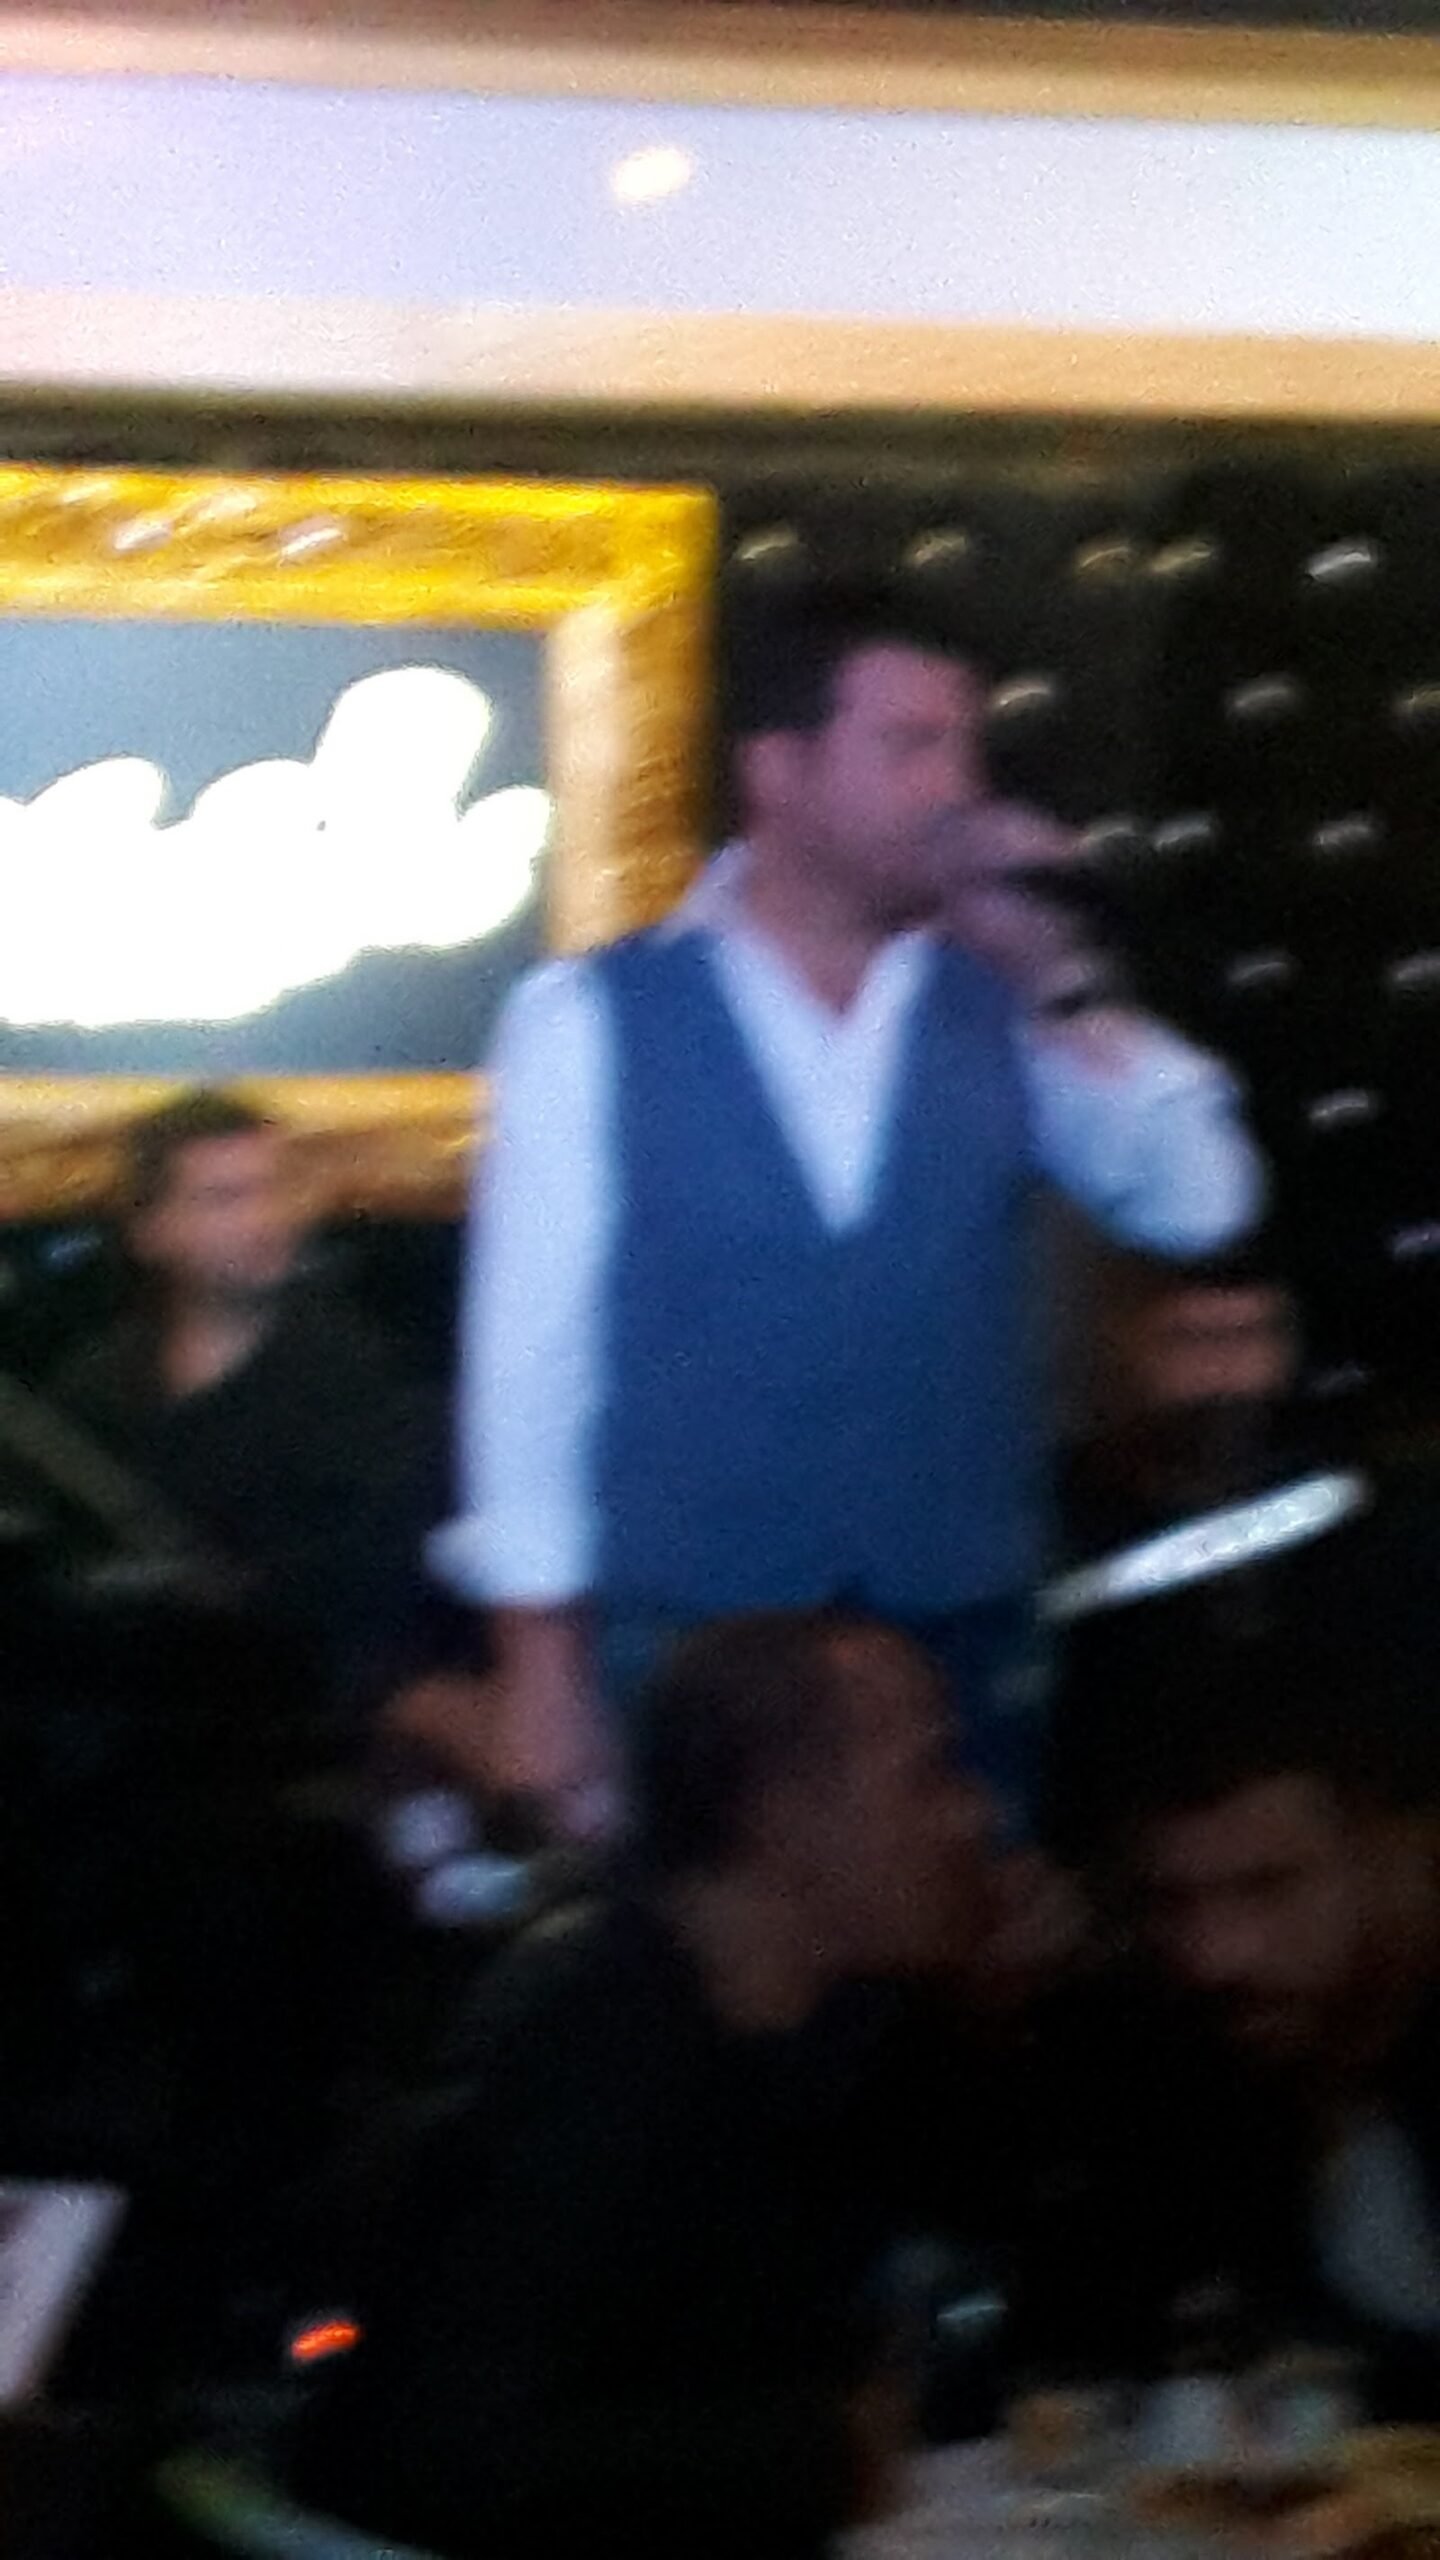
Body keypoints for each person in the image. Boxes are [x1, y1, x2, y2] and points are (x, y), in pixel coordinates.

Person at [435, 592, 1263, 1839]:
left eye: (965, 747)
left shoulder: (1004, 996)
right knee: (699, 1955)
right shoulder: (592, 1014)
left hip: (957, 1626)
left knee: (955, 1959)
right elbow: (531, 1359)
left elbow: (1200, 1203)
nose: (958, 788)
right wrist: (539, 1662)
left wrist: (1061, 977)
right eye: (911, 745)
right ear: (779, 768)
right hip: (694, 1635)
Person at [291, 1608, 1044, 2560]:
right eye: (928, 1774)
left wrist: (1003, 2004)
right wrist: (810, 2457)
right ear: (781, 1809)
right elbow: (444, 2450)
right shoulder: (585, 2045)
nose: (971, 1816)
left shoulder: (838, 2029)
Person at [1011, 1618, 1440, 2415]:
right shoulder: (1168, 2084)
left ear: (1400, 1852)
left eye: (1269, 1887)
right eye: (1172, 1903)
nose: (1215, 1958)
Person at [53, 1087, 448, 1752]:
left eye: (275, 1188)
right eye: (225, 1198)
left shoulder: (360, 1380)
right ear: (150, 1229)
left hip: (304, 1743)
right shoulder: (92, 1394)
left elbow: (367, 1615)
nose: (264, 1219)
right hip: (129, 1741)